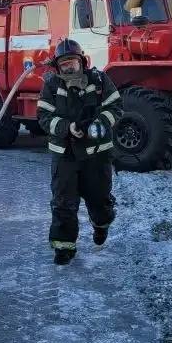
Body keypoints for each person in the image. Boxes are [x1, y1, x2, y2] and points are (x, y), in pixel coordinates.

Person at [35, 39, 122, 265]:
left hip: (97, 155)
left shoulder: (99, 80)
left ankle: (101, 226)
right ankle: (64, 249)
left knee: (100, 201)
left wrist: (99, 125)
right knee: (63, 202)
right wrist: (67, 128)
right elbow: (44, 117)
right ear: (57, 66)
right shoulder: (52, 86)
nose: (69, 67)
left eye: (72, 61)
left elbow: (115, 106)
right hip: (65, 155)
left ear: (82, 61)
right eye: (64, 64)